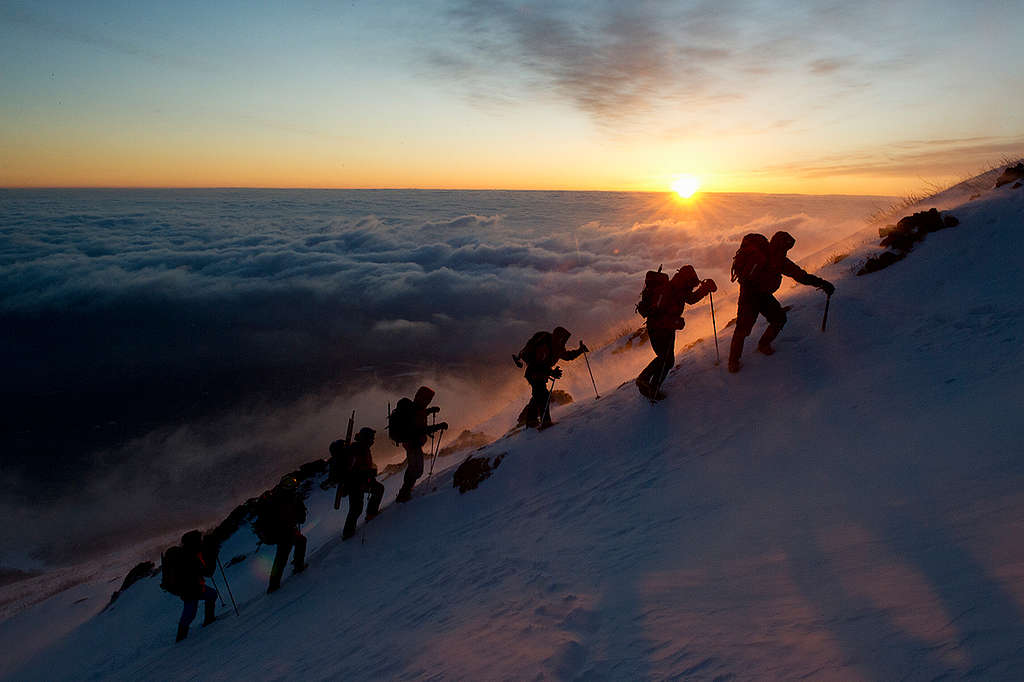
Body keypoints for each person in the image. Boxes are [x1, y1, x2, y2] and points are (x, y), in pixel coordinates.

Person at [728, 230, 835, 373]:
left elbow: (800, 275)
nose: (786, 250)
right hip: (752, 295)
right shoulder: (775, 259)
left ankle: (746, 354)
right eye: (786, 247)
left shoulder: (778, 259)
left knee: (772, 320)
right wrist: (823, 284)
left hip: (753, 294)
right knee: (749, 327)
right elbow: (801, 276)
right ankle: (738, 359)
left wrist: (822, 283)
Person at [635, 265, 716, 399]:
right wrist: (675, 322)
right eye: (691, 284)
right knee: (666, 359)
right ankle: (647, 383)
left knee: (666, 359)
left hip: (663, 329)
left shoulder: (679, 289)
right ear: (686, 280)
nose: (692, 287)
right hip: (659, 329)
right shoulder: (669, 291)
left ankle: (648, 383)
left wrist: (705, 289)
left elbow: (690, 299)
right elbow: (659, 315)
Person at [514, 327, 587, 428]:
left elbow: (568, 356)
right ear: (558, 337)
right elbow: (537, 364)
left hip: (540, 374)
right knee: (543, 394)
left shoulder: (557, 347)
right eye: (563, 338)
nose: (564, 341)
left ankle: (531, 421)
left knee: (538, 395)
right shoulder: (544, 347)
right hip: (534, 373)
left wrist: (580, 350)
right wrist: (552, 372)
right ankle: (545, 421)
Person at [391, 387, 448, 503]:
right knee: (416, 469)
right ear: (422, 397)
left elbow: (419, 416)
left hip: (412, 443)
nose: (429, 401)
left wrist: (431, 410)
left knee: (415, 468)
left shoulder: (415, 408)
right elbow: (420, 429)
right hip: (413, 443)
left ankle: (405, 491)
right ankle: (404, 493)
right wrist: (438, 426)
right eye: (428, 399)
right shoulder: (415, 410)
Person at [169, 530, 218, 643]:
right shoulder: (192, 557)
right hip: (192, 590)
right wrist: (212, 555)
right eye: (199, 541)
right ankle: (181, 639)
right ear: (194, 543)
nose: (201, 542)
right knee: (190, 613)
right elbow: (208, 572)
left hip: (190, 589)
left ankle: (207, 621)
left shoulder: (187, 554)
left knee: (209, 596)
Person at [262, 475, 307, 593]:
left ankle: (275, 583)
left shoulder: (276, 497)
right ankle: (274, 584)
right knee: (282, 557)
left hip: (281, 531)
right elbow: (300, 517)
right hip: (285, 532)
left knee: (298, 543)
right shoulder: (289, 498)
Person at [343, 427, 386, 539]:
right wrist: (367, 473)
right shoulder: (358, 449)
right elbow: (352, 469)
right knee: (356, 508)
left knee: (377, 490)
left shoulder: (362, 447)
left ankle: (370, 514)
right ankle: (348, 533)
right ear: (366, 438)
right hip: (355, 483)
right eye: (372, 438)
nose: (373, 440)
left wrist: (369, 473)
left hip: (360, 482)